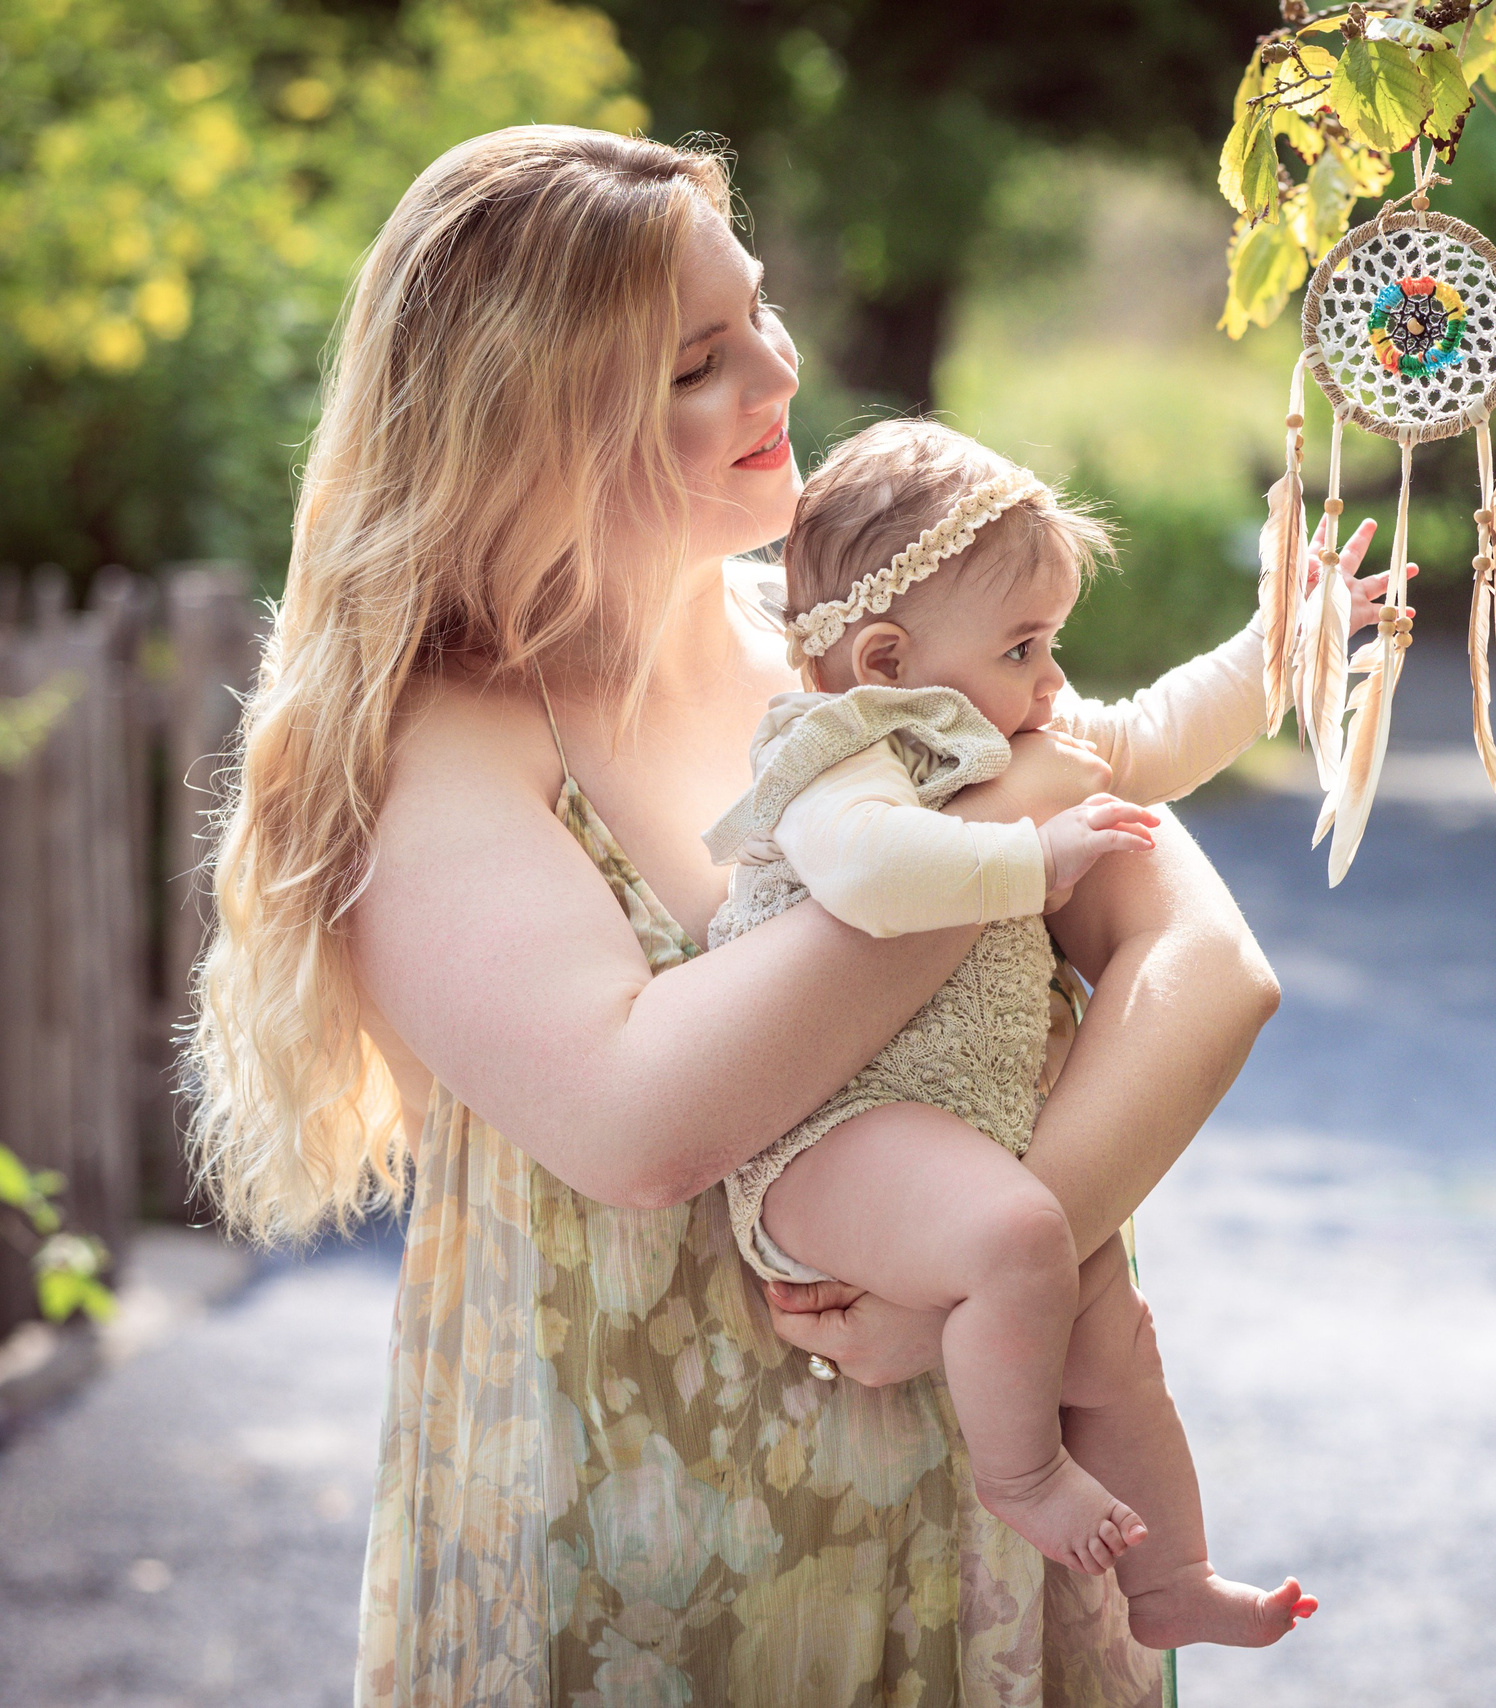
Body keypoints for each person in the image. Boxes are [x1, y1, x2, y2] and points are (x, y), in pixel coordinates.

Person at [184, 124, 1290, 1703]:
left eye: (757, 314)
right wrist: (999, 817)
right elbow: (640, 1122)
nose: (779, 377)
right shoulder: (448, 742)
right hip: (642, 1569)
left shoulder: (853, 657)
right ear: (527, 428)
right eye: (697, 363)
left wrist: (958, 1282)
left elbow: (1205, 967)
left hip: (983, 1522)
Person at [706, 420, 1384, 1646]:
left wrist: (1287, 639)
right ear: (884, 656)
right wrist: (1031, 855)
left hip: (963, 1130)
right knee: (1026, 1232)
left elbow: (1169, 731)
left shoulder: (1027, 734)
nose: (1054, 680)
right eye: (1024, 647)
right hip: (832, 1128)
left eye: (1052, 642)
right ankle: (1017, 1479)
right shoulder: (838, 759)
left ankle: (1169, 1582)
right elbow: (867, 874)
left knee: (1112, 1336)